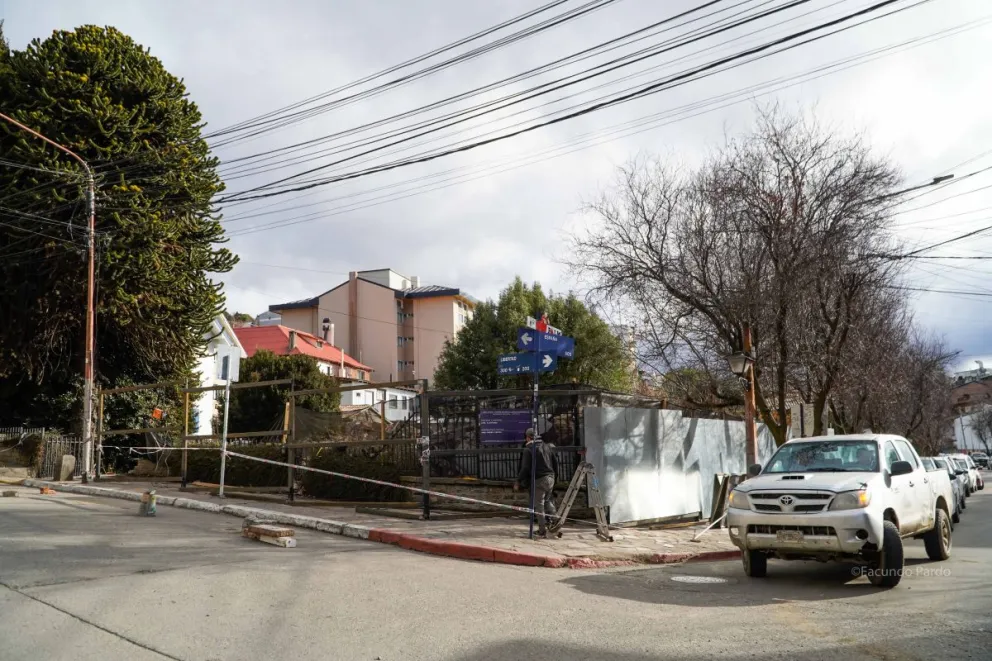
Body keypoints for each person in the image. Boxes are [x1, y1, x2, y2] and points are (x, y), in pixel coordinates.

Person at [514, 428, 558, 537]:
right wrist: (555, 478)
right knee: (547, 501)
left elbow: (525, 467)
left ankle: (542, 530)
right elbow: (555, 463)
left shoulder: (528, 449)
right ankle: (556, 520)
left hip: (539, 479)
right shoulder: (547, 446)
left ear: (528, 437)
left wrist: (518, 481)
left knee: (539, 505)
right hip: (551, 477)